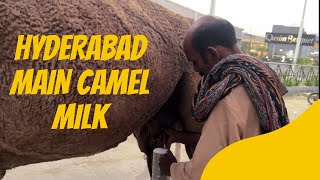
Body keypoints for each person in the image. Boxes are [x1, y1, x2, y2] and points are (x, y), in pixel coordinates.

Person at [159, 16, 290, 180]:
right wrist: (181, 137)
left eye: (194, 61)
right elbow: (236, 140)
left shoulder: (227, 100)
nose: (194, 69)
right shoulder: (259, 79)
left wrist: (171, 167)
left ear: (211, 54)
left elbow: (202, 173)